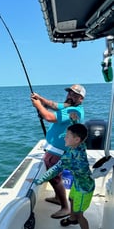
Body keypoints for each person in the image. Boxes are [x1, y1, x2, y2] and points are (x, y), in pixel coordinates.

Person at [32, 123, 95, 229]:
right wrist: (72, 124)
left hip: (84, 189)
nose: (64, 138)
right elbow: (75, 135)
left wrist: (38, 181)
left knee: (79, 214)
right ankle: (72, 219)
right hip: (77, 184)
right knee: (71, 199)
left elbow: (55, 169)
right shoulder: (80, 145)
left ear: (76, 140)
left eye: (67, 136)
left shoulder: (70, 157)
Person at [31, 84, 85, 218]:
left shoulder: (74, 111)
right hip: (54, 150)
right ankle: (57, 197)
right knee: (55, 178)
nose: (70, 96)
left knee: (55, 179)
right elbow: (53, 105)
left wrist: (38, 105)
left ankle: (65, 207)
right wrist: (40, 99)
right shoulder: (68, 106)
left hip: (58, 152)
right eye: (69, 93)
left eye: (74, 95)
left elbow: (49, 117)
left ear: (81, 99)